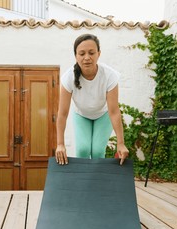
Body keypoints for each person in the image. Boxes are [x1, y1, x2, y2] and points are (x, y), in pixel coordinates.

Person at [55, 33, 129, 165]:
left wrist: (121, 143)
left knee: (97, 151)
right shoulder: (68, 78)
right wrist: (60, 144)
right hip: (81, 115)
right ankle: (82, 184)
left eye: (91, 53)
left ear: (99, 54)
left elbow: (114, 112)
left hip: (103, 115)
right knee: (83, 150)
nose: (87, 58)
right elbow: (62, 114)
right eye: (82, 54)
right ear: (76, 56)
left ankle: (97, 184)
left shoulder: (109, 75)